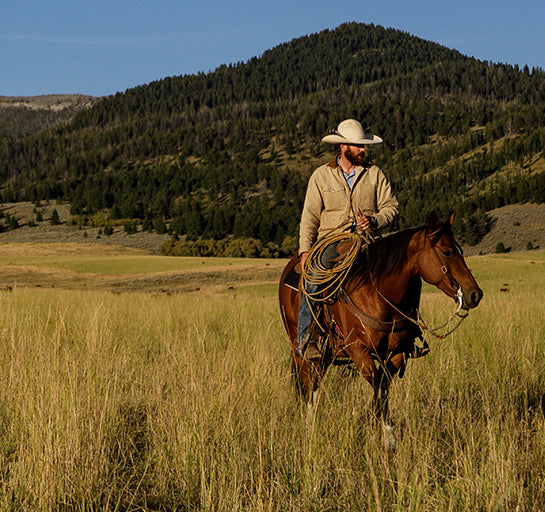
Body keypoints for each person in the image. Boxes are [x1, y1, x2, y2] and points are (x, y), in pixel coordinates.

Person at [296, 119, 399, 359]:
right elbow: (309, 217)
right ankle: (307, 338)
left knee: (402, 273)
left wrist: (374, 221)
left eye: (363, 146)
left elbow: (391, 207)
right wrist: (304, 251)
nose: (363, 150)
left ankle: (408, 333)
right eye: (357, 146)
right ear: (343, 147)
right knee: (312, 279)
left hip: (369, 241)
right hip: (331, 242)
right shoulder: (321, 176)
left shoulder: (374, 174)